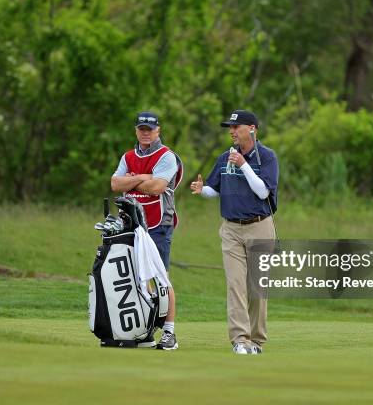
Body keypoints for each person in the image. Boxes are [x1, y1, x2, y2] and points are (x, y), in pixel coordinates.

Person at [190, 109, 278, 355]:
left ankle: (256, 341)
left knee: (256, 287)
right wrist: (202, 189)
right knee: (235, 284)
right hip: (230, 229)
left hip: (260, 225)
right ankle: (240, 339)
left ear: (252, 129)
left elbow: (263, 192)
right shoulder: (224, 158)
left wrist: (243, 165)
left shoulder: (267, 158)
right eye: (230, 128)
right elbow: (214, 189)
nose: (231, 132)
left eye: (236, 127)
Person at [111, 111, 183, 350]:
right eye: (141, 129)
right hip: (131, 223)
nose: (145, 133)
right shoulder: (128, 156)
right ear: (136, 130)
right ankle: (145, 331)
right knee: (136, 278)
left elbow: (157, 187)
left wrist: (134, 178)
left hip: (159, 224)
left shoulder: (167, 156)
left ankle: (169, 333)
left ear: (158, 131)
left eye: (150, 129)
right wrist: (144, 177)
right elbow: (115, 184)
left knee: (160, 278)